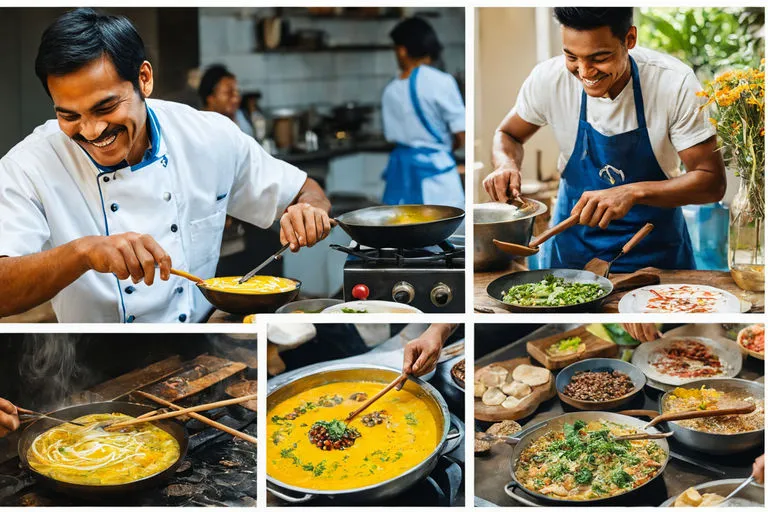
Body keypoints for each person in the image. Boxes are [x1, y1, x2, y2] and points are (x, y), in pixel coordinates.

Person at [0, 9, 332, 322]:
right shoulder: (29, 166)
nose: (92, 131)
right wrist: (83, 252)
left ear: (143, 79)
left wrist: (310, 209)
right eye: (69, 115)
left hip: (205, 340)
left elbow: (304, 191)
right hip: (94, 357)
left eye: (106, 107)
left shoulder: (207, 135)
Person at [483, 7, 726, 272]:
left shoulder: (673, 83)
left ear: (629, 39)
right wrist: (506, 164)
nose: (585, 72)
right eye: (571, 56)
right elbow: (507, 134)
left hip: (655, 253)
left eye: (600, 57)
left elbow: (711, 181)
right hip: (574, 252)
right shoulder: (549, 79)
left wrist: (633, 192)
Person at [381, 17, 465, 209]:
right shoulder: (441, 81)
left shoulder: (390, 90)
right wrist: (443, 147)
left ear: (402, 50)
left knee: (402, 234)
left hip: (401, 180)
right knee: (446, 235)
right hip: (438, 182)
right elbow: (462, 134)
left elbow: (391, 137)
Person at [198, 64, 255, 137]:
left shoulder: (241, 118)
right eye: (228, 93)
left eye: (237, 93)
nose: (236, 99)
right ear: (210, 97)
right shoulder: (200, 128)